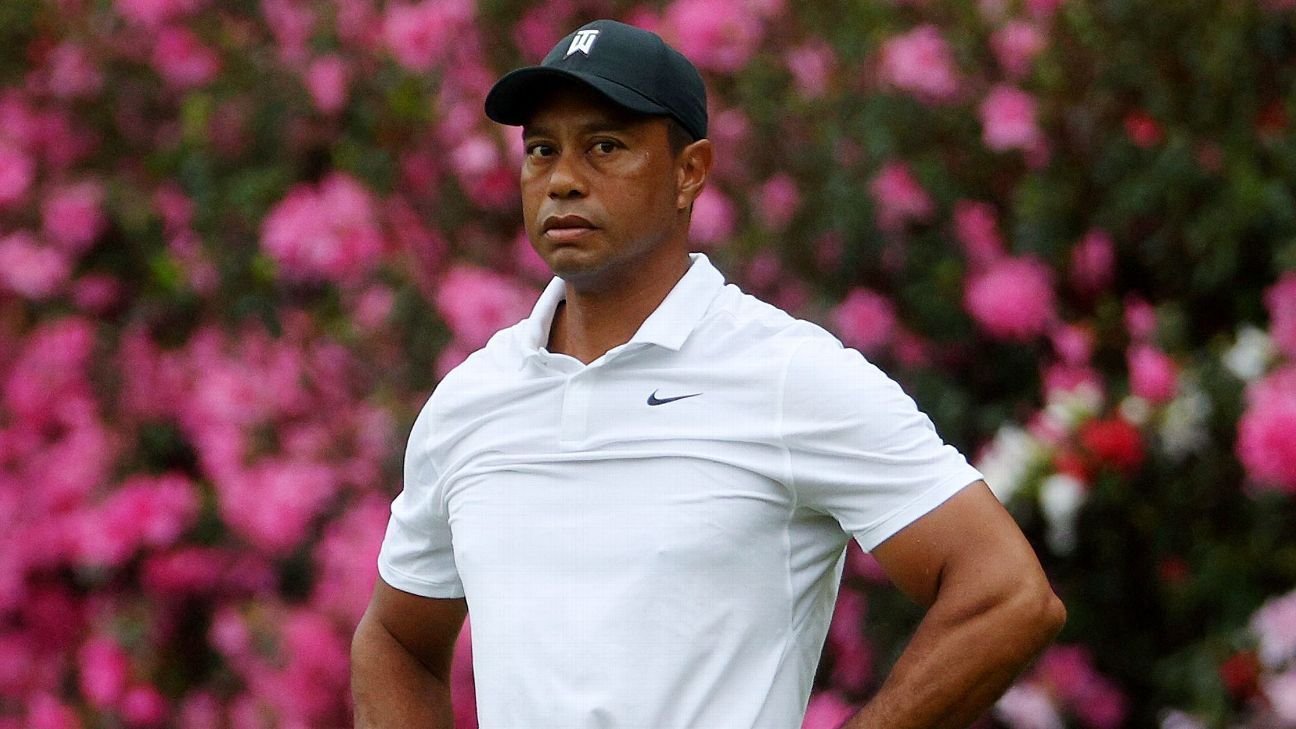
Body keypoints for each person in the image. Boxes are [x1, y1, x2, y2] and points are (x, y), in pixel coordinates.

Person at [351, 18, 1065, 729]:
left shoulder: (787, 374)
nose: (563, 180)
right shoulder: (472, 401)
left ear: (689, 172)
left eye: (605, 146)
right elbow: (396, 640)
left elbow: (1005, 595)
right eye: (542, 150)